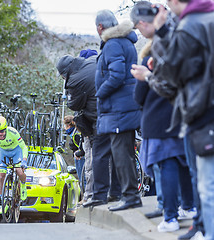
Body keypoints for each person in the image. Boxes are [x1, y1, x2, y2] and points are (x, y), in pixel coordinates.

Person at [132, 0, 214, 238]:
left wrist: (149, 76)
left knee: (203, 181)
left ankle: (194, 225)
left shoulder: (189, 25)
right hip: (194, 111)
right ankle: (198, 221)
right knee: (194, 173)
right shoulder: (203, 20)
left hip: (195, 112)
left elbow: (174, 74)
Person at [91, 10, 142, 211]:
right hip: (125, 107)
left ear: (100, 27)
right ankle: (128, 195)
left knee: (121, 154)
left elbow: (117, 74)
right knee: (125, 153)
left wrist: (100, 93)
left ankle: (130, 197)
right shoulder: (126, 42)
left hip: (118, 109)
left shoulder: (112, 44)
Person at [56, 51, 98, 205]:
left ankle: (90, 195)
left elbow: (74, 104)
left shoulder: (76, 80)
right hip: (99, 121)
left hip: (92, 124)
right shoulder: (93, 64)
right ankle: (95, 193)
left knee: (92, 162)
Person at [0, 116, 28, 214]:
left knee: (19, 170)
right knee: (0, 175)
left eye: (2, 131)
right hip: (3, 151)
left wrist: (24, 160)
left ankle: (22, 185)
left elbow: (23, 147)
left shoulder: (13, 132)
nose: (0, 134)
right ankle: (3, 202)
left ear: (6, 129)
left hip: (16, 151)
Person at [63, 116, 85, 184]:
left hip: (81, 158)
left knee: (82, 179)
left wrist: (78, 153)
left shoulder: (76, 134)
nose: (64, 128)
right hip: (79, 157)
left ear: (68, 125)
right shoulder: (74, 132)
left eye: (65, 126)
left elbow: (82, 148)